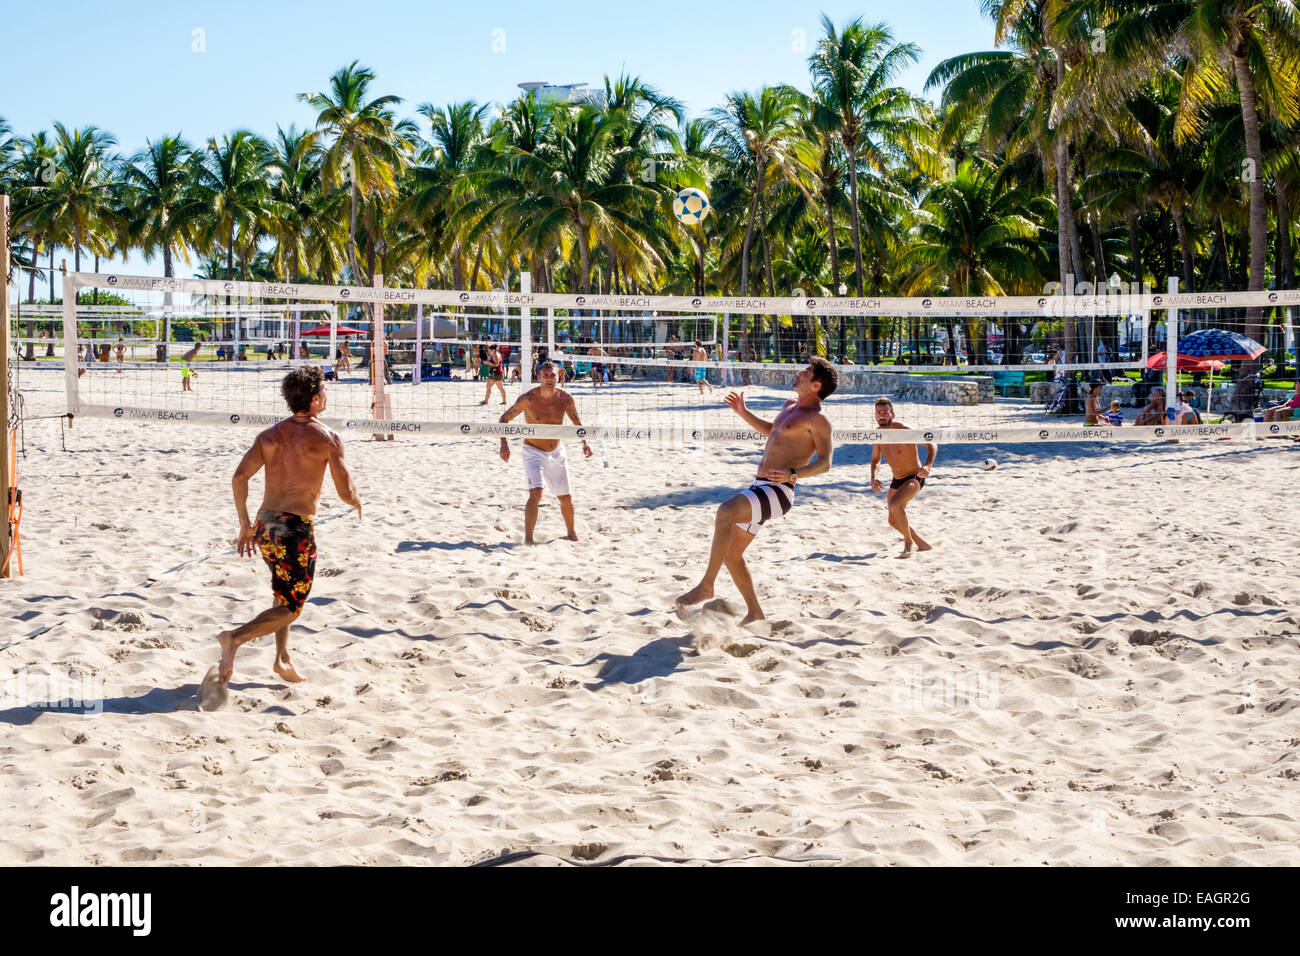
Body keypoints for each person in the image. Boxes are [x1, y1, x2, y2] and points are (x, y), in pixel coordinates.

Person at [215, 366, 362, 686]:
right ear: (314, 400)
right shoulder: (328, 438)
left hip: (264, 525)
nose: (327, 394)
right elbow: (344, 491)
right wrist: (357, 501)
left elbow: (239, 477)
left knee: (284, 594)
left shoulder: (268, 436)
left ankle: (282, 659)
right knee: (293, 608)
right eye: (324, 390)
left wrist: (244, 524)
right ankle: (234, 639)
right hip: (295, 530)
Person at [676, 358, 837, 625]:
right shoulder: (789, 406)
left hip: (779, 491)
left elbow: (825, 463)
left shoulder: (818, 420)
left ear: (815, 385)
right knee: (731, 554)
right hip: (760, 486)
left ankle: (707, 585)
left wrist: (793, 474)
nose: (799, 372)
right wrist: (743, 412)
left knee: (725, 511)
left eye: (806, 372)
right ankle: (755, 613)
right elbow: (773, 432)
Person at [497, 361, 593, 544]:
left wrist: (585, 443)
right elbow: (504, 419)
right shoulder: (528, 399)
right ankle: (528, 539)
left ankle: (571, 533)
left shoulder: (565, 398)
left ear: (559, 377)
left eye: (553, 375)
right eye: (546, 375)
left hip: (556, 451)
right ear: (539, 377)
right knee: (536, 493)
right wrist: (504, 444)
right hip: (533, 450)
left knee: (566, 497)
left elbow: (577, 424)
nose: (549, 379)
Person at [870, 398, 938, 558]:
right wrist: (873, 478)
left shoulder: (904, 430)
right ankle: (923, 545)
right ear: (875, 415)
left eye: (885, 412)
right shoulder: (878, 434)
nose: (881, 415)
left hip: (914, 477)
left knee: (895, 505)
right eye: (878, 413)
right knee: (892, 521)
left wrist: (928, 465)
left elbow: (932, 443)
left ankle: (909, 543)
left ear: (892, 414)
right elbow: (875, 460)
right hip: (897, 479)